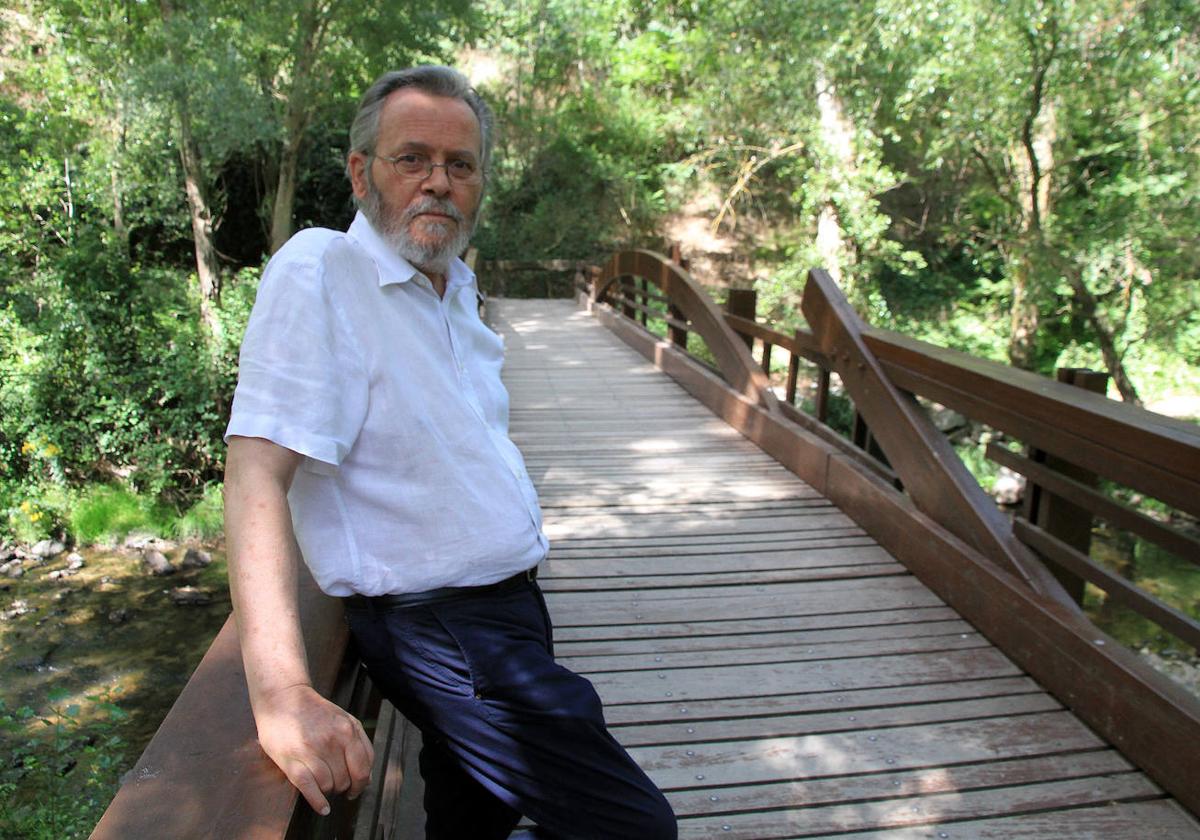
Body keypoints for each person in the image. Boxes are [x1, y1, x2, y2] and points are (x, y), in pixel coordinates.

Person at [223, 65, 677, 840]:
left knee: (475, 816)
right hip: (443, 627)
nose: (438, 182)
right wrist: (284, 690)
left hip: (509, 609)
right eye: (413, 159)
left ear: (480, 185)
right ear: (362, 172)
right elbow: (256, 465)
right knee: (633, 828)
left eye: (459, 165)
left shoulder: (455, 289)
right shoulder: (323, 270)